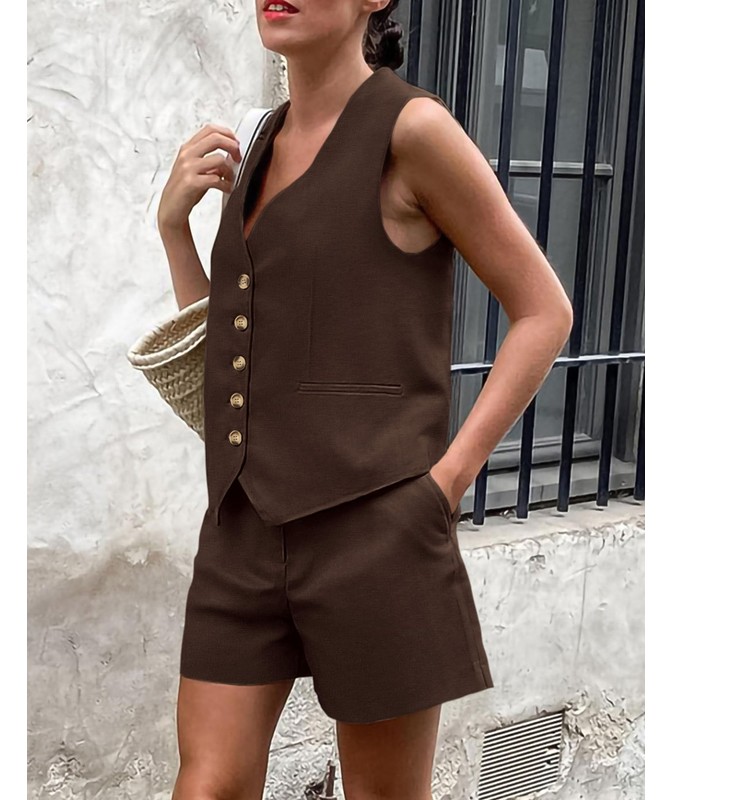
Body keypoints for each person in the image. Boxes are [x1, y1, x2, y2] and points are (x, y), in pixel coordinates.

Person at [157, 1, 573, 798]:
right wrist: (177, 231)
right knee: (207, 785)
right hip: (243, 530)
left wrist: (443, 486)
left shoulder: (412, 130)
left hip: (375, 534)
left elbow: (543, 311)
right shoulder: (259, 140)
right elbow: (231, 352)